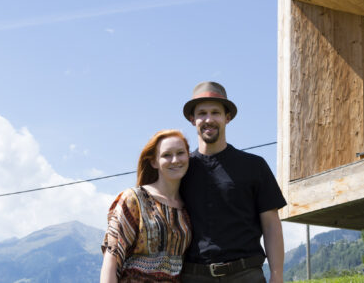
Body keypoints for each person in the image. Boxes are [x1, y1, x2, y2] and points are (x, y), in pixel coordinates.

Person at [179, 81, 287, 283]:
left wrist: (277, 275)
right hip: (193, 276)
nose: (208, 119)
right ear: (192, 119)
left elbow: (271, 225)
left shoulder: (254, 166)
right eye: (202, 113)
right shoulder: (181, 170)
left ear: (227, 118)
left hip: (246, 275)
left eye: (215, 112)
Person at [100, 129, 193, 283]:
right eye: (166, 155)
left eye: (180, 153)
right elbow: (112, 259)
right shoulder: (134, 199)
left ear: (188, 156)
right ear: (154, 162)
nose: (175, 160)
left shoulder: (187, 207)